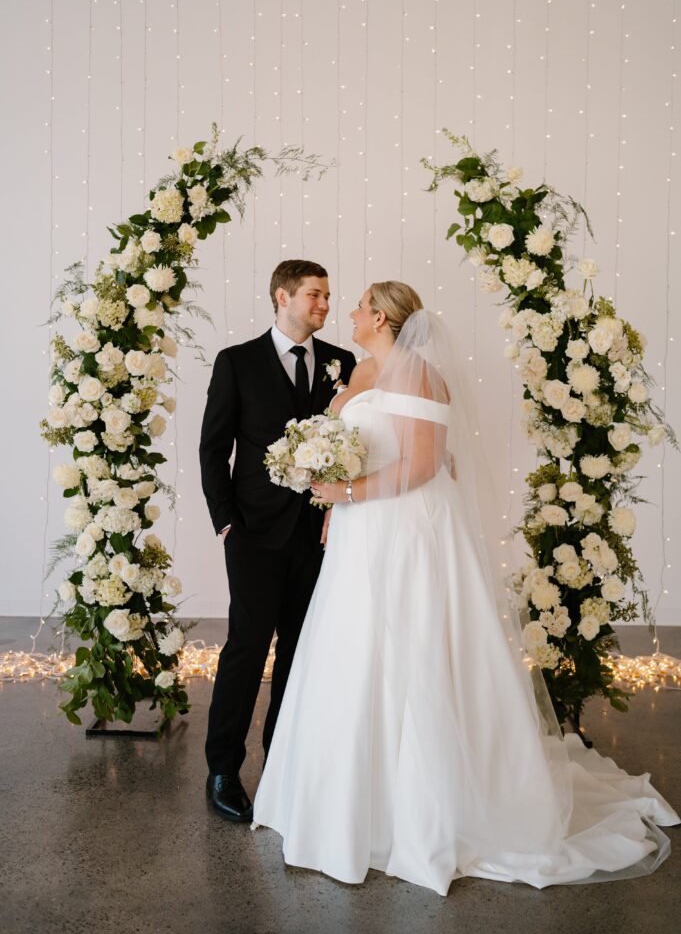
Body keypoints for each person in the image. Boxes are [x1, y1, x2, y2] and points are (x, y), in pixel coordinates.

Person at [252, 281, 679, 894]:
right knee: (352, 650)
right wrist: (332, 499)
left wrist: (347, 493)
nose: (347, 311)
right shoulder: (362, 368)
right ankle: (341, 802)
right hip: (357, 532)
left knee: (413, 650)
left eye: (358, 304)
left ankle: (421, 809)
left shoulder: (421, 376)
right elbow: (359, 449)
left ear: (380, 315)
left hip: (404, 530)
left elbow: (425, 465)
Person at [199, 259, 356, 822]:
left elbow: (353, 440)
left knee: (300, 649)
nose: (325, 305)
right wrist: (225, 522)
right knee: (246, 645)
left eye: (328, 296)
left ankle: (281, 762)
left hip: (319, 534)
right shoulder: (236, 362)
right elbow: (213, 449)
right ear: (282, 297)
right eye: (314, 295)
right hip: (253, 533)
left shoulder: (343, 362)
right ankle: (222, 769)